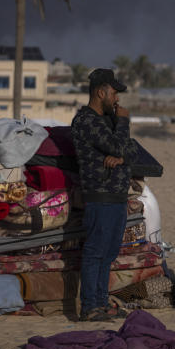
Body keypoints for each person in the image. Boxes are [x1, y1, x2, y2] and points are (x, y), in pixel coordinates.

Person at [71, 68, 137, 322]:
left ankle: (101, 301)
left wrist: (120, 156)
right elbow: (120, 144)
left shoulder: (108, 122)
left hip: (116, 197)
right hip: (99, 196)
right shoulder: (86, 121)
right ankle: (90, 306)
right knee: (95, 252)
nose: (117, 99)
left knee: (108, 253)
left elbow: (132, 150)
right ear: (101, 92)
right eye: (114, 93)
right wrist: (123, 124)